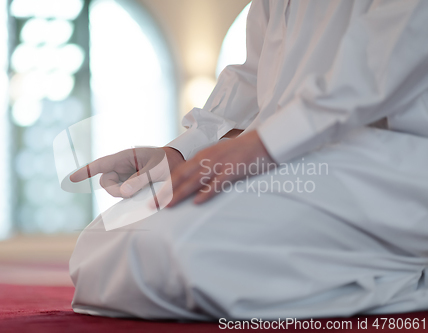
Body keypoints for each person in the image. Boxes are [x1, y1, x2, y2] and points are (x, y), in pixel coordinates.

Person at [68, 0, 428, 320]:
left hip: (386, 160)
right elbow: (256, 76)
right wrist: (182, 153)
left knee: (170, 249)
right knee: (105, 239)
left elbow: (385, 57)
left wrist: (263, 144)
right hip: (288, 152)